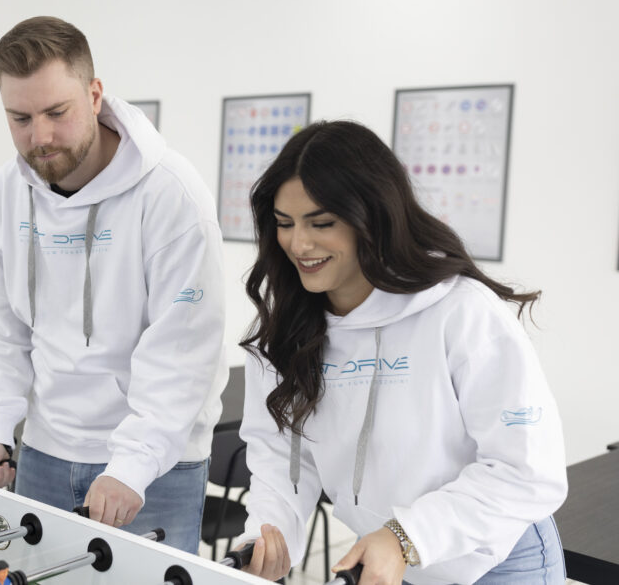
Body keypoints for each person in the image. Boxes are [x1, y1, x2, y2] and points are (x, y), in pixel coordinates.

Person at [235, 120, 567, 584]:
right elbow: (280, 454)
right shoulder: (285, 327)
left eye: (321, 223)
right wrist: (269, 534)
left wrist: (407, 535)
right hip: (392, 563)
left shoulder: (460, 311)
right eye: (284, 223)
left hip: (495, 562)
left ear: (372, 216)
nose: (298, 244)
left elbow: (528, 471)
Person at [0, 16, 227, 553]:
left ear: (95, 93)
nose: (40, 137)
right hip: (42, 451)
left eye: (57, 113)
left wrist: (131, 465)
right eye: (20, 118)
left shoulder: (171, 196)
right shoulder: (5, 193)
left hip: (155, 468)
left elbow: (183, 353)